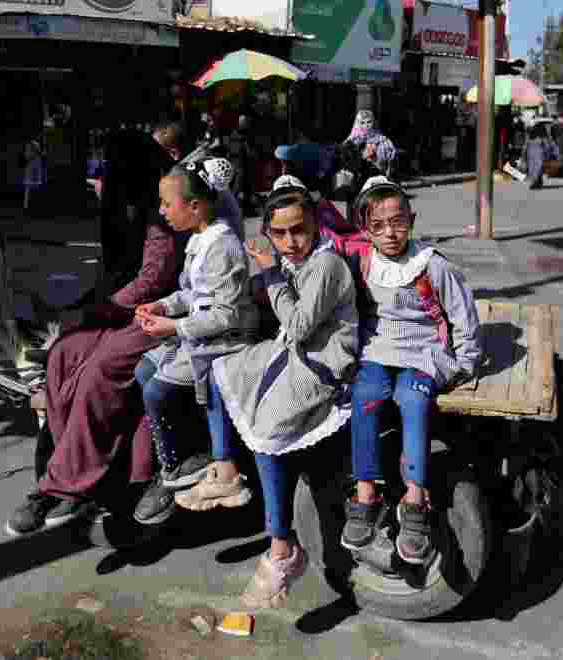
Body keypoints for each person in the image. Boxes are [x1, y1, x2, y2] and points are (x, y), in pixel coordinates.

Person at [175, 184, 359, 609]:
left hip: (323, 365)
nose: (291, 242)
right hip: (293, 352)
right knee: (222, 370)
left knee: (267, 432)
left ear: (315, 226)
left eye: (299, 230)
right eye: (280, 233)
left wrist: (271, 273)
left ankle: (281, 548)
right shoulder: (294, 259)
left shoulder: (326, 264)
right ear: (269, 233)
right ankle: (225, 472)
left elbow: (296, 327)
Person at [5, 177, 184, 537]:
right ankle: (69, 467)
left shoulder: (160, 218)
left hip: (163, 316)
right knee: (62, 355)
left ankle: (60, 485)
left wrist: (99, 309)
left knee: (98, 373)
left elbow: (153, 279)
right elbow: (120, 273)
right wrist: (86, 307)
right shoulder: (129, 215)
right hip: (133, 311)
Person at [340, 176, 482, 566]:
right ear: (365, 227)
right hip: (377, 348)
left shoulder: (432, 266)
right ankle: (365, 492)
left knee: (412, 399)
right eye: (378, 225)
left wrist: (464, 363)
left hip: (423, 353)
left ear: (412, 219)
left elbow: (463, 317)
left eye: (398, 222)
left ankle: (415, 497)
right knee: (366, 396)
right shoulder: (364, 263)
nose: (390, 232)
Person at [131, 158, 259, 525]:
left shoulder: (225, 246)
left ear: (195, 206)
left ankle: (173, 468)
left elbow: (225, 315)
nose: (161, 211)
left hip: (224, 341)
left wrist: (173, 328)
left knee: (155, 392)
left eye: (166, 204)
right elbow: (191, 293)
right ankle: (189, 449)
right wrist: (162, 305)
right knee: (144, 368)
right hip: (201, 332)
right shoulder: (201, 239)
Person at [97, 119, 183, 291]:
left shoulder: (129, 141)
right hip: (132, 210)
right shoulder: (147, 145)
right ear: (164, 132)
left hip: (115, 208)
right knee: (129, 259)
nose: (173, 145)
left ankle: (111, 292)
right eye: (173, 139)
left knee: (116, 260)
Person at [344, 110, 397, 177]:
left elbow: (390, 161)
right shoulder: (352, 140)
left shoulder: (383, 140)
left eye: (369, 122)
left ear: (374, 122)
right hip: (356, 177)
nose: (366, 125)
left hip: (379, 175)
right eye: (362, 123)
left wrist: (375, 157)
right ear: (358, 124)